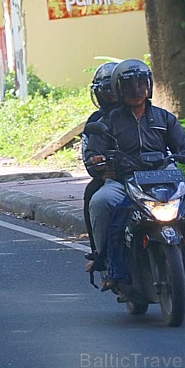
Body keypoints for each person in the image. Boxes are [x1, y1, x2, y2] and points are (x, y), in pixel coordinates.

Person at [83, 59, 185, 285]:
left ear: (149, 86)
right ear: (118, 89)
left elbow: (184, 146)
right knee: (100, 201)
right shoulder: (107, 121)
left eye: (141, 84)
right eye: (129, 85)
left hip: (164, 179)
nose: (136, 90)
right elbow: (94, 152)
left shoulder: (165, 118)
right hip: (123, 182)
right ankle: (106, 260)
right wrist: (97, 159)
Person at [81, 62, 118, 259]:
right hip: (115, 177)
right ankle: (99, 251)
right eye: (106, 90)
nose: (111, 95)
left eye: (114, 89)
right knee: (93, 194)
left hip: (151, 176)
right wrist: (99, 166)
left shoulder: (152, 114)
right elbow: (88, 153)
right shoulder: (96, 121)